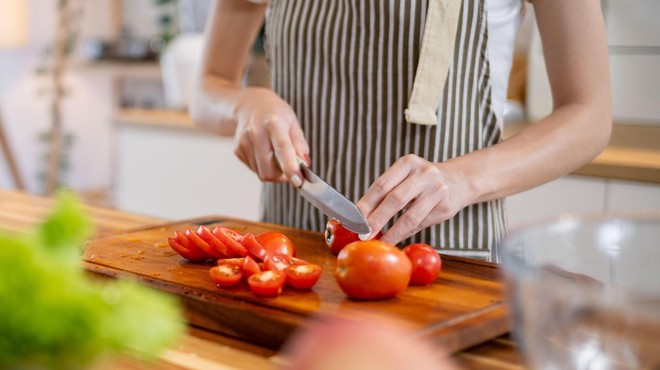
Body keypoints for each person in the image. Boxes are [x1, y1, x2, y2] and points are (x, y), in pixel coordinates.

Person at [190, 0, 611, 262]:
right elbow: (208, 87)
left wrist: (462, 177)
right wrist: (248, 104)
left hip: (447, 257)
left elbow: (588, 115)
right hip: (291, 257)